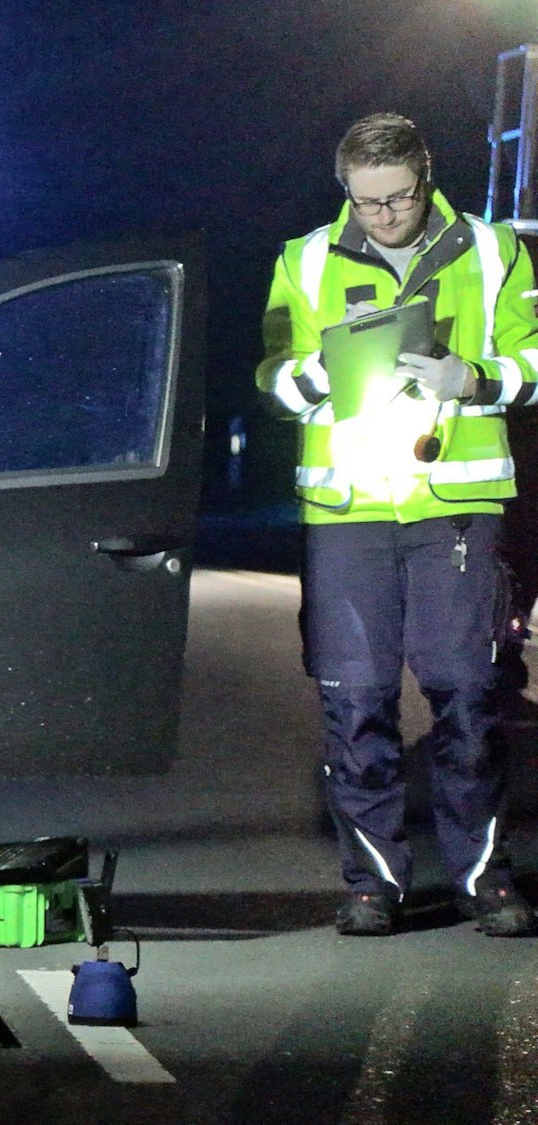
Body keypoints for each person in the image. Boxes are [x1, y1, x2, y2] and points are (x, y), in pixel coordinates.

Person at [258, 112, 538, 937]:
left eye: (399, 197)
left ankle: (484, 879)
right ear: (345, 189)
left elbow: (537, 355)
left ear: (427, 175)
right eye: (366, 200)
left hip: (454, 510)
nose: (383, 215)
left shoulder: (492, 253)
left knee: (467, 695)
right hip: (347, 515)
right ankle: (374, 883)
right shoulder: (303, 260)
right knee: (357, 702)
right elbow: (272, 373)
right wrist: (312, 376)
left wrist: (477, 377)